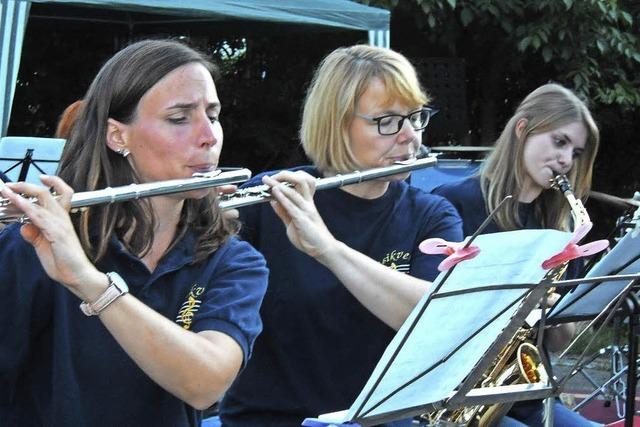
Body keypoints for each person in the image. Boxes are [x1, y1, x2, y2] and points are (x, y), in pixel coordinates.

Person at [0, 39, 268, 427]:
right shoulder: (32, 247)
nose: (209, 136)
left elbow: (206, 384)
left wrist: (88, 282)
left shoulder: (232, 262)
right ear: (117, 136)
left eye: (213, 114)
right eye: (180, 118)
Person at [219, 45, 463, 427]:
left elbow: (437, 319)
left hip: (382, 419)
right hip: (272, 419)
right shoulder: (272, 201)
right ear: (335, 123)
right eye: (386, 121)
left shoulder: (431, 215)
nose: (408, 136)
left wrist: (328, 250)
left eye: (415, 117)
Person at [432, 83, 601, 426]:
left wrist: (557, 310)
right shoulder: (452, 202)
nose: (567, 160)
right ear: (522, 129)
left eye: (576, 152)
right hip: (454, 394)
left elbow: (556, 342)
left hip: (527, 395)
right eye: (559, 141)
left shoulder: (564, 228)